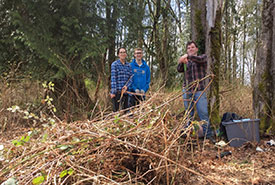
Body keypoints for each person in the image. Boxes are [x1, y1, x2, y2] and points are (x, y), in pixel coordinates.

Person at [177, 41, 212, 138]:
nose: (190, 49)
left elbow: (201, 60)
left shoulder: (202, 58)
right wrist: (181, 61)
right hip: (187, 90)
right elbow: (179, 69)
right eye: (188, 48)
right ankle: (189, 132)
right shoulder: (186, 62)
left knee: (203, 113)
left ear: (196, 49)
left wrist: (187, 57)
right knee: (189, 114)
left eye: (192, 47)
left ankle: (207, 135)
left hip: (199, 90)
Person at [110, 47, 133, 112]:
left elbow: (131, 78)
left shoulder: (129, 65)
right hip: (117, 92)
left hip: (126, 92)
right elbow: (113, 78)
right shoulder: (115, 64)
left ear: (126, 54)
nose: (123, 54)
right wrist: (113, 92)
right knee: (116, 111)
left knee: (126, 111)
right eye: (121, 52)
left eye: (124, 52)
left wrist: (127, 86)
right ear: (118, 55)